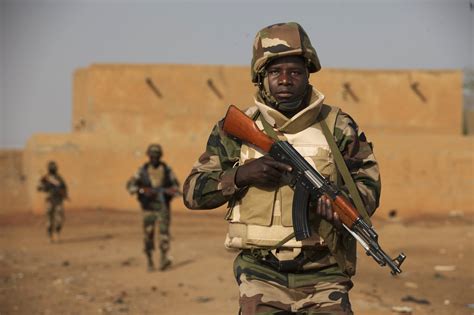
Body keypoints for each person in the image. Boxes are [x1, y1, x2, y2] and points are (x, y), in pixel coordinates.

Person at [183, 22, 381, 314]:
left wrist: (341, 205)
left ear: (308, 75)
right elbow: (192, 193)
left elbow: (368, 186)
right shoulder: (237, 129)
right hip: (260, 273)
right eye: (275, 72)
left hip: (326, 272)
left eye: (295, 72)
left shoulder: (338, 126)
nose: (285, 80)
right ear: (261, 77)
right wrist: (242, 175)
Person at [126, 144, 180, 271]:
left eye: (156, 156)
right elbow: (130, 186)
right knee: (148, 236)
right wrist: (142, 190)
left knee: (164, 235)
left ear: (160, 156)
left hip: (163, 208)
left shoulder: (167, 170)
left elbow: (176, 187)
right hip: (148, 208)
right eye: (152, 156)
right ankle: (150, 261)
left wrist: (169, 191)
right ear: (148, 156)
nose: (154, 158)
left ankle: (163, 259)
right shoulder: (142, 170)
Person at [37, 160, 68, 243]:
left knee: (59, 219)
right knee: (49, 219)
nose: (53, 168)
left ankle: (57, 234)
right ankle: (49, 236)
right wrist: (45, 186)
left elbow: (64, 187)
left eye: (54, 167)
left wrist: (63, 194)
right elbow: (39, 187)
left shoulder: (59, 178)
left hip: (58, 200)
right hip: (49, 200)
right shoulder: (45, 178)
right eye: (52, 167)